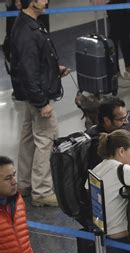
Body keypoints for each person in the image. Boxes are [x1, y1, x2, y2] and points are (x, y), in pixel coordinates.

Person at [10, 0, 71, 207]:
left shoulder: (26, 23)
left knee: (28, 138)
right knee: (46, 139)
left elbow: (34, 62)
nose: (46, 1)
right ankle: (43, 190)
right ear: (31, 2)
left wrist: (54, 69)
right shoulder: (28, 31)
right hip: (37, 95)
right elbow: (28, 70)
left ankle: (25, 183)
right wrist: (41, 102)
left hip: (30, 94)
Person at [0, 156, 42, 253]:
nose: (14, 181)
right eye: (8, 178)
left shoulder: (18, 202)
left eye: (14, 175)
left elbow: (24, 242)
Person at [86, 96, 129, 169]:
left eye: (126, 117)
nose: (126, 122)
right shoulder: (99, 146)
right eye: (121, 119)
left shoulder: (95, 130)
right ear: (107, 120)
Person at [106, 0, 130, 80]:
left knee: (125, 32)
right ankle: (115, 73)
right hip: (113, 2)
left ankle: (129, 67)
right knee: (114, 34)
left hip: (127, 2)